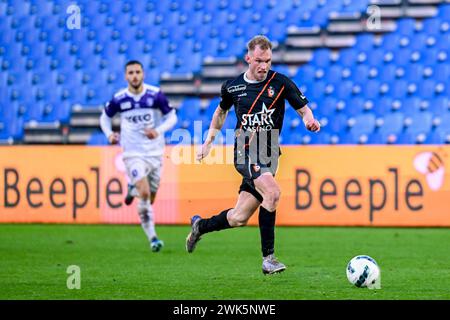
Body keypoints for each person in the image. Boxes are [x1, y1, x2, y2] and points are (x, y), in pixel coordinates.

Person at [185, 35, 320, 274]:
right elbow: (220, 113)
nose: (264, 66)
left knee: (239, 217)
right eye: (259, 60)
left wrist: (309, 120)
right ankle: (269, 259)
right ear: (248, 58)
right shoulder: (233, 86)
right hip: (245, 151)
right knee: (273, 192)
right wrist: (208, 142)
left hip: (269, 154)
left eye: (268, 60)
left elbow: (303, 109)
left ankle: (200, 226)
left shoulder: (280, 83)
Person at [100, 60, 177, 252]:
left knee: (149, 198)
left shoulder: (155, 95)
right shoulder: (119, 98)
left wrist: (158, 131)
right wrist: (109, 134)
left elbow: (172, 117)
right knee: (144, 193)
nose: (134, 76)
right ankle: (153, 238)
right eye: (131, 73)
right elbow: (105, 117)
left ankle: (132, 189)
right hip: (133, 153)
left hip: (155, 153)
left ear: (143, 74)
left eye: (137, 72)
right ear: (126, 76)